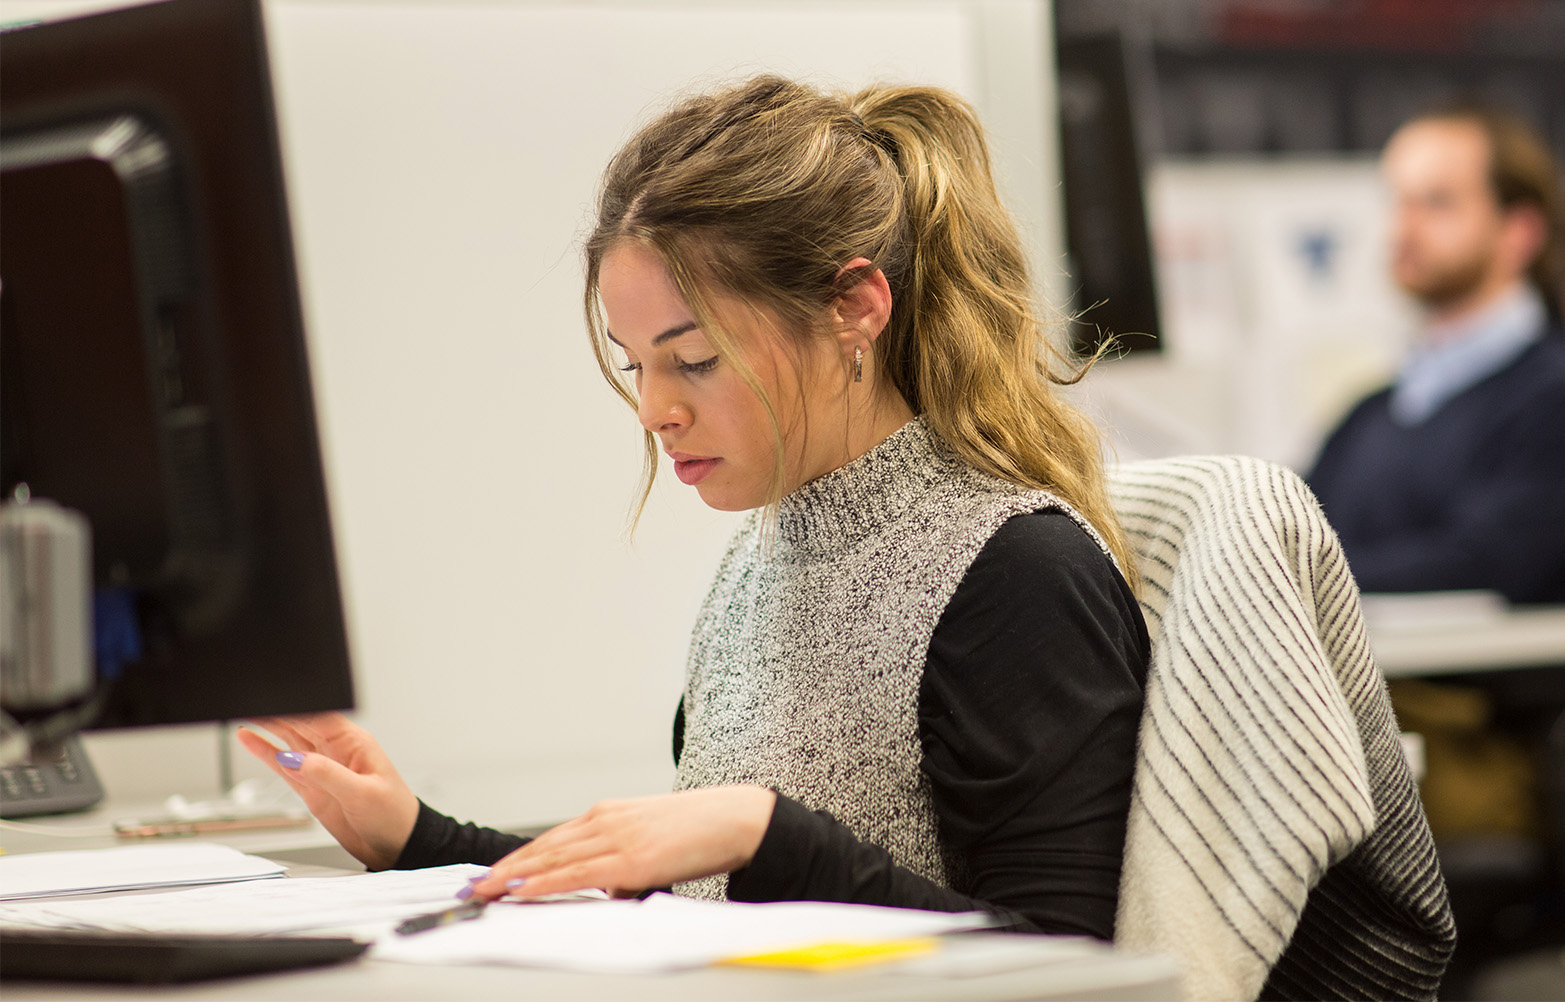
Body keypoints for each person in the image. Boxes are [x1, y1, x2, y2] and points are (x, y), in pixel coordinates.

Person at [239, 76, 1149, 940]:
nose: (652, 409)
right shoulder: (756, 567)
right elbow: (693, 901)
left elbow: (1066, 961)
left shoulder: (1019, 576)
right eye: (636, 363)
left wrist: (766, 835)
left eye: (696, 358)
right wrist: (416, 839)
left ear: (853, 309)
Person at [1306, 101, 1565, 604]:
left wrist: (1308, 578)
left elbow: (1490, 561)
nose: (1404, 229)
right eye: (1398, 202)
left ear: (1520, 232)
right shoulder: (1370, 413)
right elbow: (1288, 532)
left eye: (1438, 202)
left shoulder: (1549, 400)